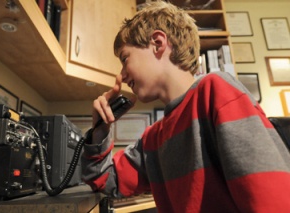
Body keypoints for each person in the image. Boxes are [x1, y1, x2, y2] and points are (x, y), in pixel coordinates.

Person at [81, 1, 290, 212]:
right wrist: (100, 131)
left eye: (125, 59)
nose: (122, 76)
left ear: (157, 42)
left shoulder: (215, 90)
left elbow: (271, 200)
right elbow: (104, 180)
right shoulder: (153, 139)